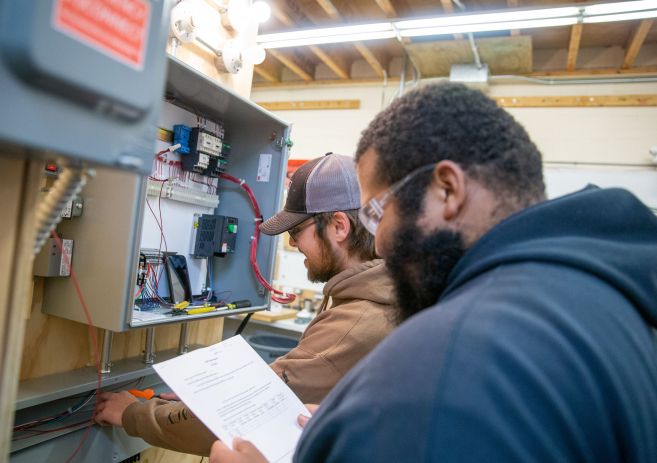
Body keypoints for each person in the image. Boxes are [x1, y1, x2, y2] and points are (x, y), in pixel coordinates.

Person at [210, 83, 657, 462]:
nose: (379, 241)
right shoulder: (603, 298)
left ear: (447, 190)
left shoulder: (460, 354)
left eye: (378, 213)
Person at [93, 153, 394, 456]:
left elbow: (250, 419)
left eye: (295, 232)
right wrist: (208, 400)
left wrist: (133, 414)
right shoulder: (389, 297)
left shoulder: (355, 324)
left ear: (339, 226)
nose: (292, 244)